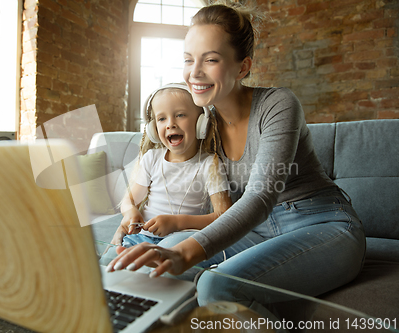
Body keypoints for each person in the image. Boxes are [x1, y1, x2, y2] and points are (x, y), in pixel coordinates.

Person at [106, 1, 366, 315]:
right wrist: (132, 213)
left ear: (242, 67)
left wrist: (187, 252)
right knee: (157, 255)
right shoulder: (204, 124)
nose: (194, 72)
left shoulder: (279, 104)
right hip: (256, 231)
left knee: (216, 285)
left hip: (323, 223)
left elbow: (259, 198)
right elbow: (163, 163)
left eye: (210, 59)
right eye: (189, 59)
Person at [101, 83, 232, 266]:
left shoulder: (210, 164)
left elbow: (224, 216)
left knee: (151, 275)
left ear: (201, 122)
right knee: (107, 267)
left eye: (180, 115)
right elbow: (129, 200)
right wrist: (131, 212)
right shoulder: (151, 159)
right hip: (140, 238)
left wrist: (178, 223)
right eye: (161, 118)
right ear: (154, 129)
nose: (170, 124)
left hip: (181, 243)